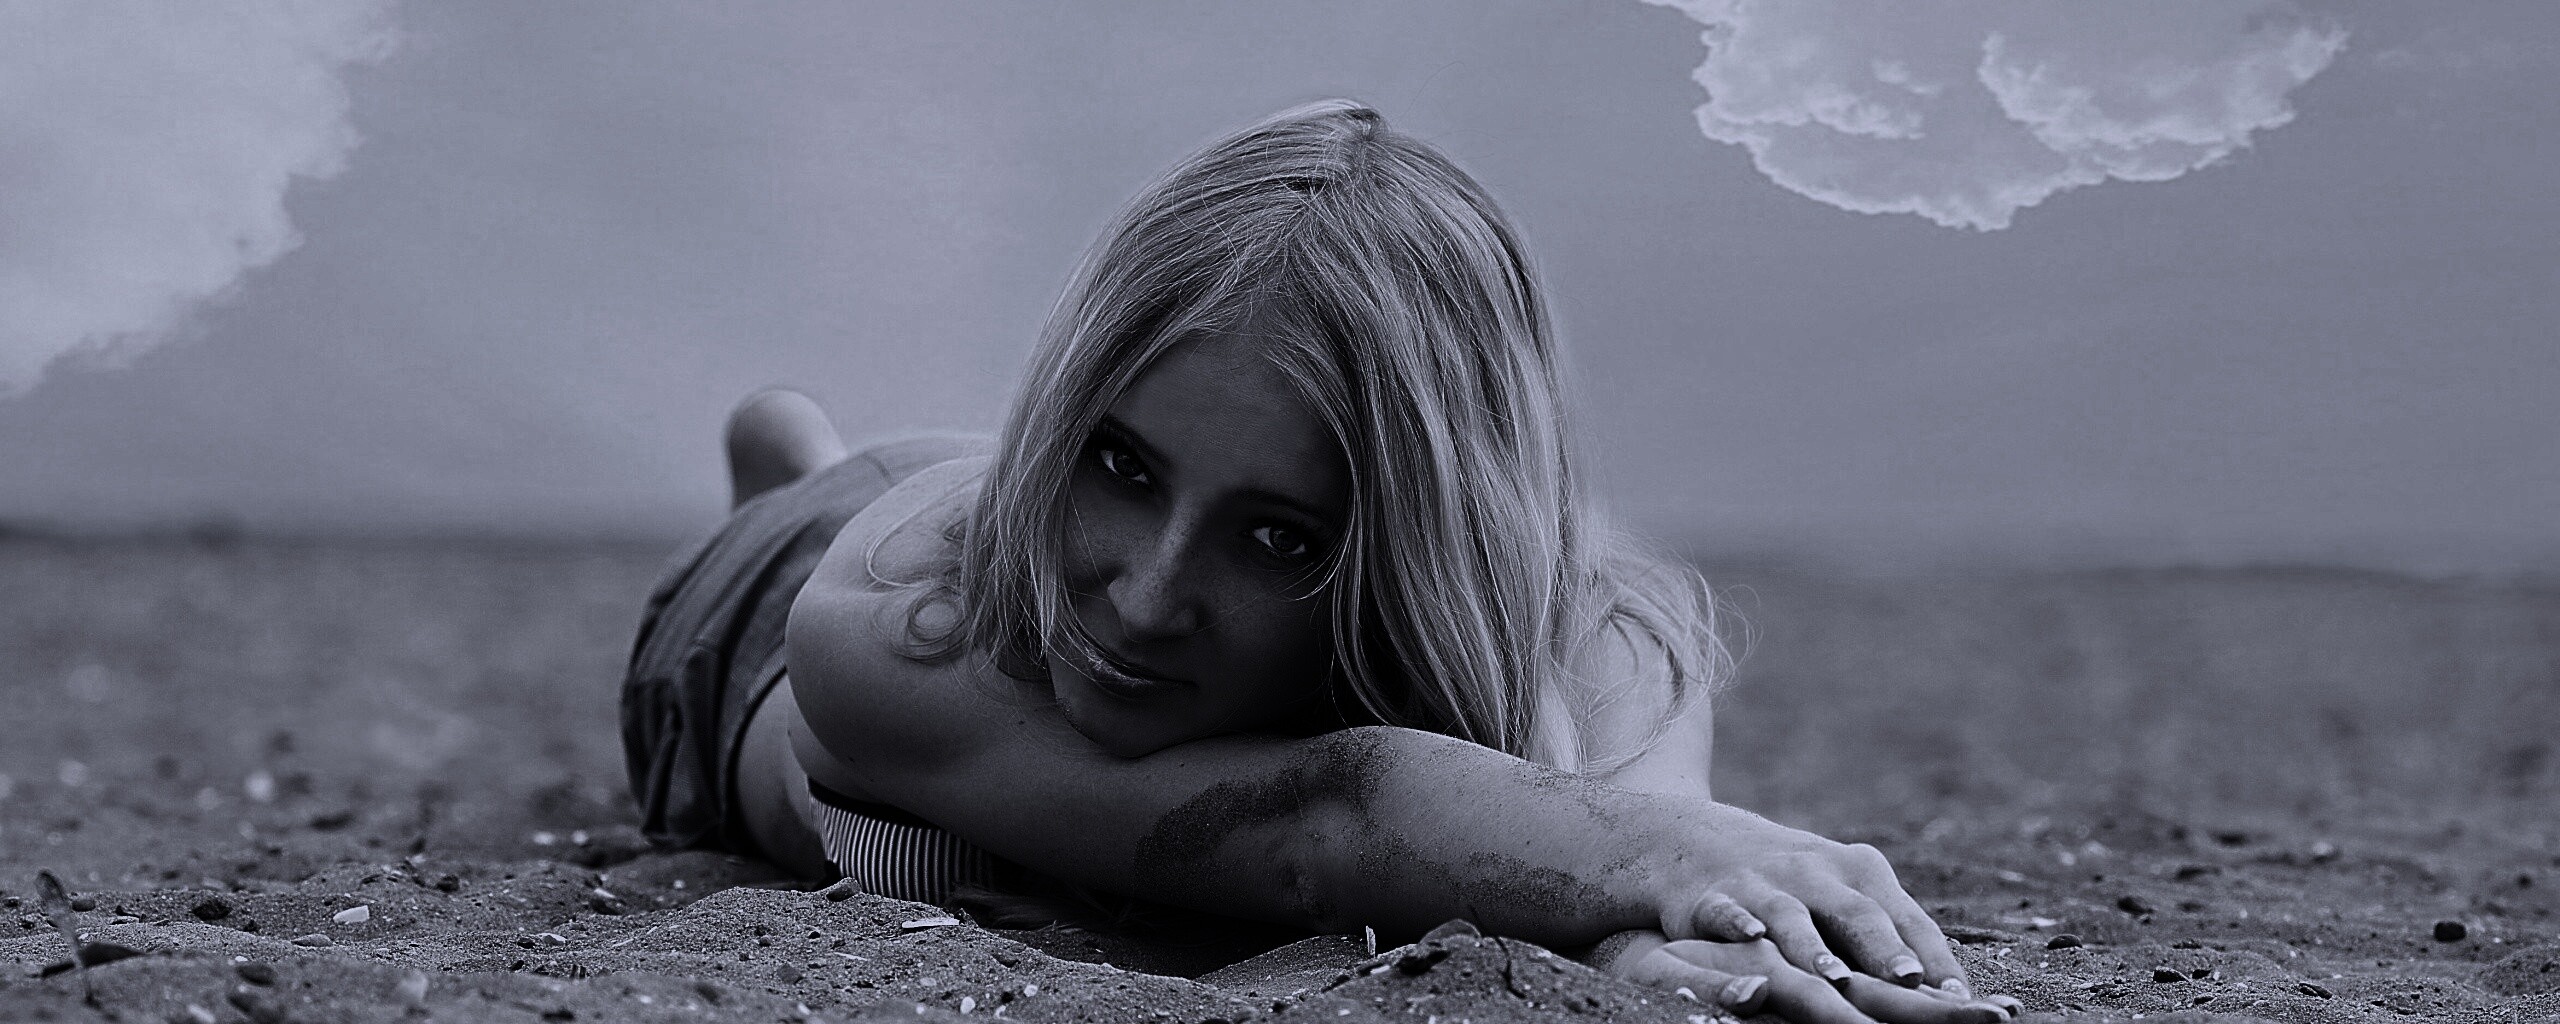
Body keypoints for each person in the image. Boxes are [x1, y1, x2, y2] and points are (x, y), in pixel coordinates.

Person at [623, 100, 2020, 1024]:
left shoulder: (1593, 624)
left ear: (1412, 544)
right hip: (787, 603)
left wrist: (1645, 941)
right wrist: (1659, 866)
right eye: (1120, 462)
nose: (1151, 597)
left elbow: (1611, 834)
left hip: (1001, 498)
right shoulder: (881, 629)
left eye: (1279, 534)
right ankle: (789, 469)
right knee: (806, 500)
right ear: (1063, 414)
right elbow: (1331, 822)